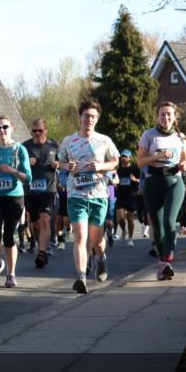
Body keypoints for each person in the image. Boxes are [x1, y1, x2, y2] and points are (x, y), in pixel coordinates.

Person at [57, 99, 119, 294]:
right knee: (80, 237)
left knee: (97, 239)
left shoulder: (104, 140)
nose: (89, 119)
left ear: (97, 119)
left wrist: (100, 166)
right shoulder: (68, 141)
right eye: (86, 116)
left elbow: (115, 161)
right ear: (79, 118)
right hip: (76, 195)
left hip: (98, 195)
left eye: (93, 117)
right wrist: (67, 166)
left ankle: (100, 258)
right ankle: (81, 277)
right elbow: (59, 162)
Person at [137, 102, 186, 280]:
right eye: (162, 114)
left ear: (174, 117)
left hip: (174, 181)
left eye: (169, 114)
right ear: (157, 116)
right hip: (153, 182)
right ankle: (163, 264)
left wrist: (185, 165)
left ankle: (167, 260)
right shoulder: (149, 135)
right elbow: (140, 162)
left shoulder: (179, 137)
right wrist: (158, 156)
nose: (165, 118)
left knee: (169, 221)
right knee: (158, 227)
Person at [0, 116, 32, 287]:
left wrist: (12, 171)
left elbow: (28, 178)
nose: (2, 131)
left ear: (12, 128)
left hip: (14, 197)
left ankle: (11, 274)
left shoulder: (20, 150)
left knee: (10, 235)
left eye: (5, 127)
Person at [22, 118, 59, 268]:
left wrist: (58, 164)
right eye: (34, 131)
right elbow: (16, 166)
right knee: (35, 223)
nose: (37, 133)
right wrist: (25, 163)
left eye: (40, 130)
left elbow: (64, 162)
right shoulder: (25, 147)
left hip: (48, 189)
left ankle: (42, 253)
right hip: (30, 190)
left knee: (45, 219)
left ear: (46, 130)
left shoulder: (54, 145)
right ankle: (40, 246)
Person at [115, 150, 140, 246]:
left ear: (130, 158)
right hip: (120, 195)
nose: (123, 158)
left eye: (125, 156)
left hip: (131, 195)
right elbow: (113, 178)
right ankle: (124, 230)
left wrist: (135, 179)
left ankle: (130, 238)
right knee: (120, 218)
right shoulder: (118, 169)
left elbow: (142, 180)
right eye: (122, 156)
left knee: (130, 218)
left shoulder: (135, 169)